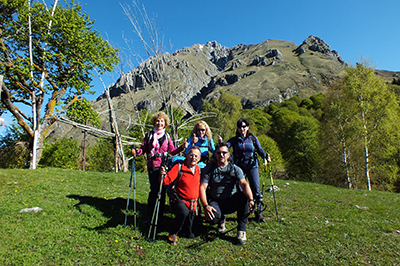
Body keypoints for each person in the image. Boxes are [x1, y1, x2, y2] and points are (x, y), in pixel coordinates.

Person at [132, 111, 187, 225]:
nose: (159, 123)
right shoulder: (149, 135)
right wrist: (137, 152)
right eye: (157, 121)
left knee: (162, 192)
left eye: (162, 121)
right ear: (154, 122)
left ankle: (159, 216)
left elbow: (172, 151)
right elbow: (144, 148)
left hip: (164, 166)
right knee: (154, 191)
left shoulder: (167, 136)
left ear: (165, 123)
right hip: (152, 166)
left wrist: (182, 147)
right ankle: (150, 216)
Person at [199, 143, 255, 245]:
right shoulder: (209, 169)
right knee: (213, 219)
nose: (221, 155)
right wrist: (205, 206)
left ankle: (241, 231)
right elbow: (202, 187)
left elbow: (244, 183)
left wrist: (251, 199)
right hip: (215, 201)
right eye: (219, 153)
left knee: (244, 197)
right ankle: (220, 220)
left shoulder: (235, 169)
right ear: (215, 154)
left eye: (224, 153)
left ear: (228, 155)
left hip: (230, 200)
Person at [219, 118, 270, 223]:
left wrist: (265, 156)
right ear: (237, 128)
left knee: (255, 189)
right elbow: (225, 146)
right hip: (239, 168)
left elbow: (259, 150)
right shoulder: (234, 140)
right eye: (240, 127)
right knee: (241, 190)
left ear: (248, 127)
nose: (242, 129)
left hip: (252, 166)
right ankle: (244, 211)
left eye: (244, 126)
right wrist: (221, 143)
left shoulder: (253, 139)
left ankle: (258, 212)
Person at [161, 146, 202, 245]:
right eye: (191, 155)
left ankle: (184, 228)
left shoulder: (198, 169)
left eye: (196, 156)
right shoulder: (179, 167)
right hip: (179, 199)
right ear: (186, 155)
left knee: (191, 234)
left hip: (193, 203)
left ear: (199, 158)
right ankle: (173, 232)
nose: (193, 158)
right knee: (183, 213)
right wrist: (162, 175)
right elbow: (165, 181)